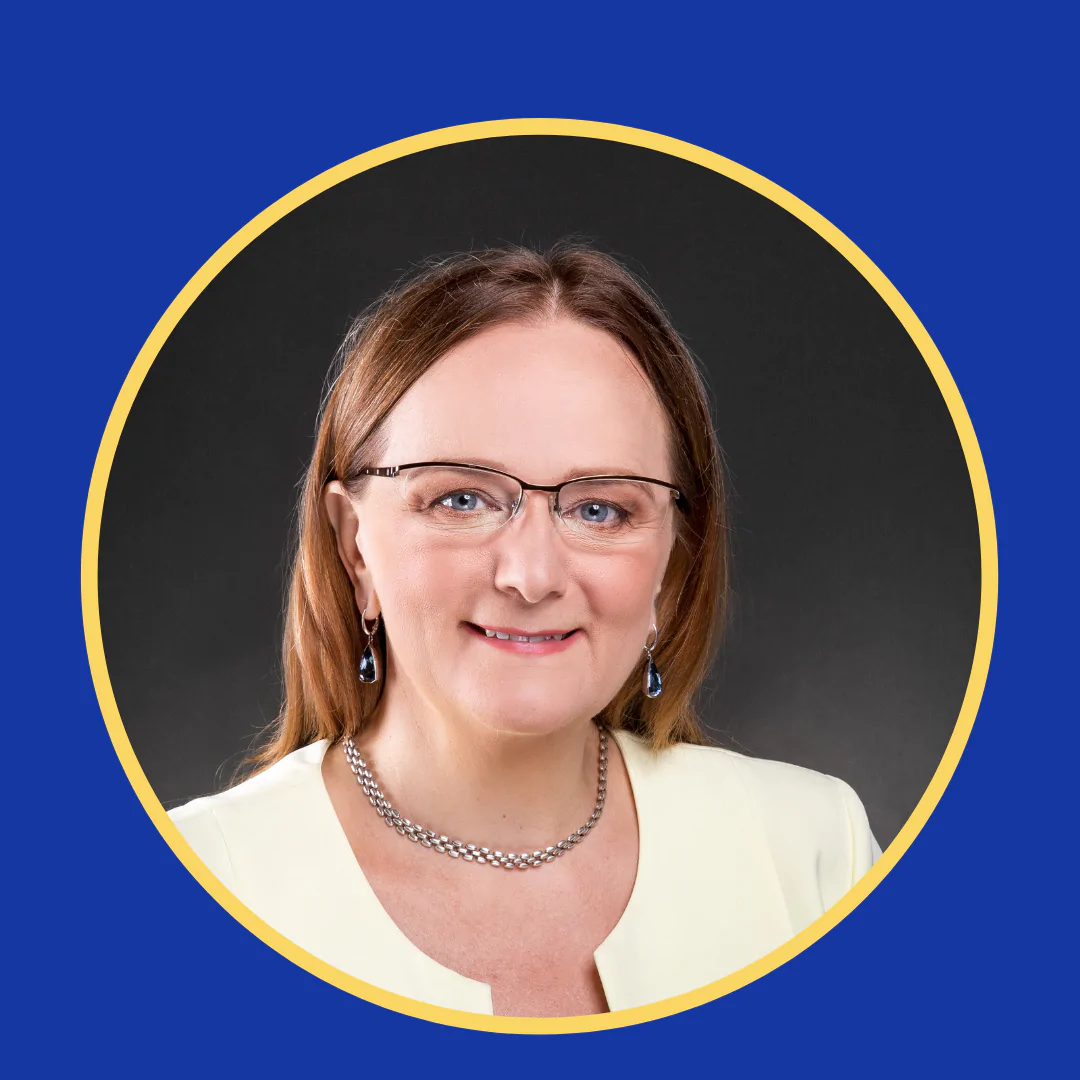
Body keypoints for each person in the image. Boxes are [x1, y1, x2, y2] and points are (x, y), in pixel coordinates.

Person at [168, 243, 881, 1019]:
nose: (532, 575)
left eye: (600, 509)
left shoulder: (816, 856)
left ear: (672, 566)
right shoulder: (202, 881)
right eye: (460, 500)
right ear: (355, 548)